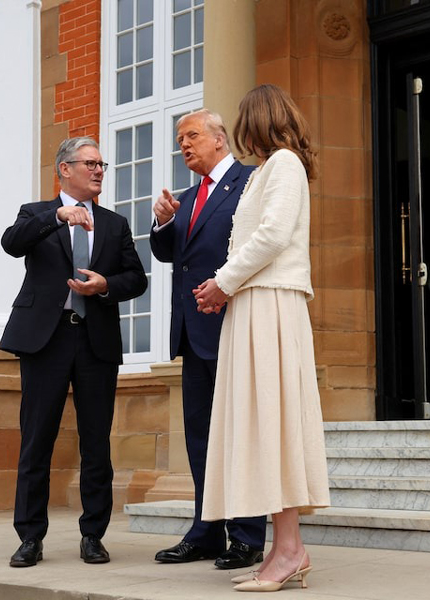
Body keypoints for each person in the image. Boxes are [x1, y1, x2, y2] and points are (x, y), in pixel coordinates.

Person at [194, 84, 331, 593]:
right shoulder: (267, 171)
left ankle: (291, 548)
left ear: (258, 121)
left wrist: (222, 282)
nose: (235, 133)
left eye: (241, 122)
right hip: (254, 304)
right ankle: (284, 548)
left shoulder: (285, 166)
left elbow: (272, 236)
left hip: (271, 304)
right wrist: (225, 288)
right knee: (263, 426)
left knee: (275, 425)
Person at [0, 137, 147, 568]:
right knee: (36, 440)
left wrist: (106, 286)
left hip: (95, 340)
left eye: (103, 164)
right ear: (65, 169)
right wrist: (56, 216)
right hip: (45, 339)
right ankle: (29, 538)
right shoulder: (36, 213)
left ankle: (93, 536)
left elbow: (136, 279)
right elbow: (12, 243)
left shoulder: (115, 224)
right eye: (91, 163)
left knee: (96, 443)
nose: (100, 170)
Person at [150, 109, 267, 569]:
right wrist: (161, 223)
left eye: (192, 135)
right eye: (180, 139)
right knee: (200, 437)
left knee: (240, 434)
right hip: (193, 334)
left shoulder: (251, 182)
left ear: (220, 139)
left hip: (234, 324)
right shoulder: (186, 196)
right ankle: (206, 531)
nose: (184, 144)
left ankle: (246, 535)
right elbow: (170, 255)